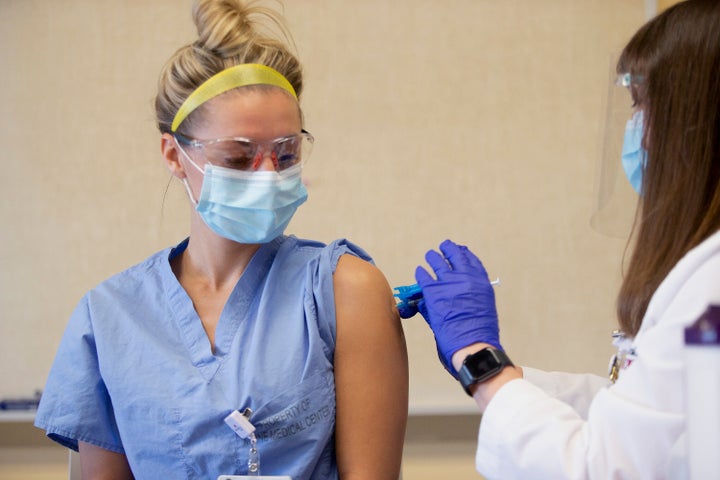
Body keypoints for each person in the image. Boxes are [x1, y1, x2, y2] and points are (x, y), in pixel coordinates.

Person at [34, 1, 408, 478]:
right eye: (238, 157)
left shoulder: (344, 292)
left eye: (286, 153)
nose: (269, 175)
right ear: (173, 154)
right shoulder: (109, 318)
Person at [403, 1, 720, 478]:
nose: (638, 135)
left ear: (693, 121)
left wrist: (480, 363)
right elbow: (635, 413)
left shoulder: (710, 289)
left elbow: (599, 468)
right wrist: (504, 370)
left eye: (640, 105)